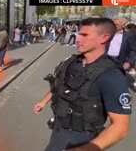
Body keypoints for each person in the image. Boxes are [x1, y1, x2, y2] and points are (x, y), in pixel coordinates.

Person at [34, 18, 131, 151]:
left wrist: (84, 149)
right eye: (79, 34)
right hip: (58, 132)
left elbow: (121, 128)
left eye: (85, 35)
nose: (78, 39)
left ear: (104, 38)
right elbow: (58, 85)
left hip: (82, 140)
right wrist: (44, 102)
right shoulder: (72, 62)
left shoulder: (111, 75)